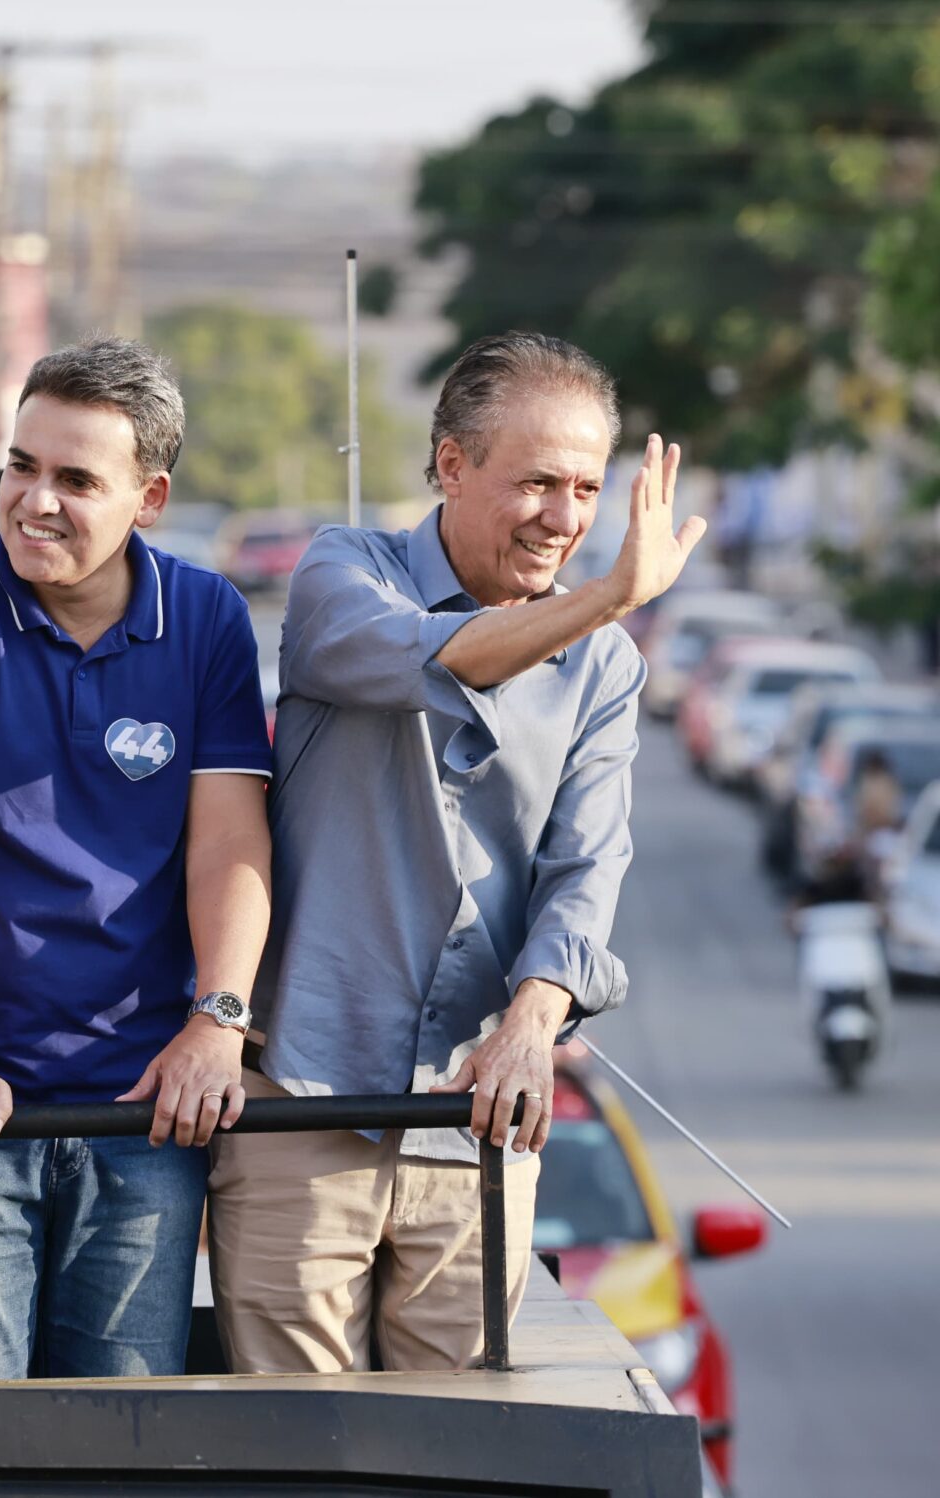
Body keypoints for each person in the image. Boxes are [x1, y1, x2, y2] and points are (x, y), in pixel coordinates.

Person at [212, 332, 703, 1374]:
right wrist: (614, 592)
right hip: (305, 1096)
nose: (563, 518)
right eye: (534, 482)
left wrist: (533, 1018)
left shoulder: (603, 666)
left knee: (457, 1449)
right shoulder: (342, 572)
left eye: (582, 487)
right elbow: (451, 654)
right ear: (448, 464)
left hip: (472, 1113)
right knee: (289, 1446)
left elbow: (585, 866)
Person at [0, 342, 274, 1381]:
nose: (34, 501)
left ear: (150, 497)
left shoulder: (207, 616)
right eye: (20, 465)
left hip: (138, 1106)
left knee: (121, 1444)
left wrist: (215, 1023)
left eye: (76, 480)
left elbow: (227, 839)